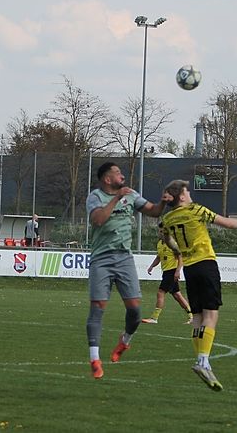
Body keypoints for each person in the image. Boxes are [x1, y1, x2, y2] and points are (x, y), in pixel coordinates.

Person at [161, 179, 237, 391]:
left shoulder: (167, 219)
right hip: (205, 264)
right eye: (187, 191)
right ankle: (203, 361)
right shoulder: (196, 210)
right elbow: (228, 223)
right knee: (211, 314)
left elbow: (166, 239)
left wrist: (178, 250)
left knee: (197, 316)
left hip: (189, 269)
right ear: (182, 196)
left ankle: (201, 359)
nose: (190, 194)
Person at [84, 162, 170, 380]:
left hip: (124, 258)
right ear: (107, 179)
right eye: (117, 173)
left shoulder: (131, 195)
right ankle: (94, 359)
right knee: (97, 308)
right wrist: (116, 198)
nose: (122, 175)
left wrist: (163, 202)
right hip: (101, 259)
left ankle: (124, 341)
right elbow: (98, 220)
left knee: (135, 310)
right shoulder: (95, 197)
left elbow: (153, 211)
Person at [141, 222, 193, 325]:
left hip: (171, 271)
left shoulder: (172, 243)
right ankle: (192, 316)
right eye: (159, 231)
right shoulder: (159, 244)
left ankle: (154, 318)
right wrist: (151, 266)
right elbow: (158, 257)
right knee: (177, 295)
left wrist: (177, 271)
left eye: (162, 231)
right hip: (166, 272)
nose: (160, 233)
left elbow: (180, 257)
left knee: (160, 292)